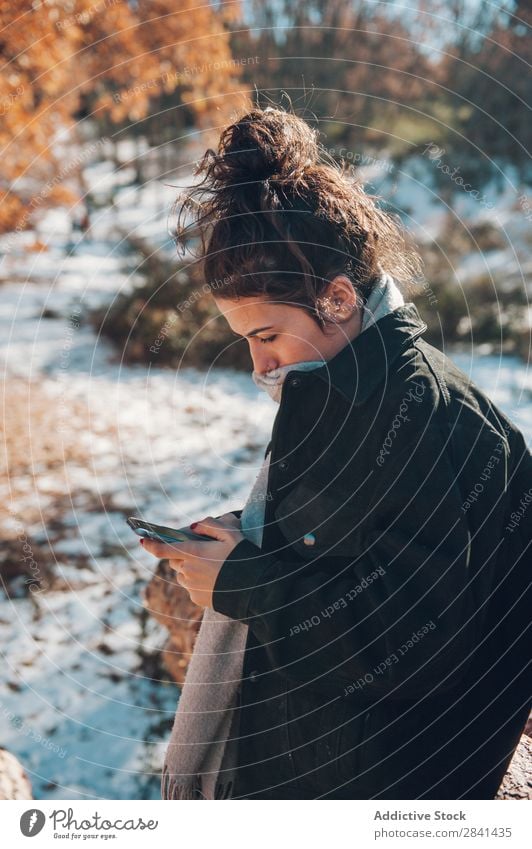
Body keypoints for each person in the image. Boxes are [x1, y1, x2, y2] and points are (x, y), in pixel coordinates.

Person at [141, 106, 532, 800]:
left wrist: (246, 580)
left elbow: (411, 647)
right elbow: (351, 549)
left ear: (340, 297)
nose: (259, 364)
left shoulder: (415, 414)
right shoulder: (349, 391)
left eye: (266, 334)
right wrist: (253, 537)